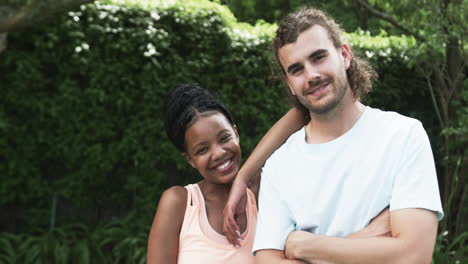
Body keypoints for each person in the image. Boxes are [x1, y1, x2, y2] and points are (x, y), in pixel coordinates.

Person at [223, 7, 444, 263]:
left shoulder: (403, 136)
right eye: (297, 69)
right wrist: (371, 238)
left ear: (345, 55)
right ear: (289, 84)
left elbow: (413, 256)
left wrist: (302, 246)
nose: (311, 75)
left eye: (319, 57)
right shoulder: (278, 167)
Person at [147, 83, 303, 263]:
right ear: (190, 159)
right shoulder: (180, 202)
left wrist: (242, 178)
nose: (219, 153)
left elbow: (302, 112)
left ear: (236, 133)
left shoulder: (259, 191)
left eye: (225, 138)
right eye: (202, 150)